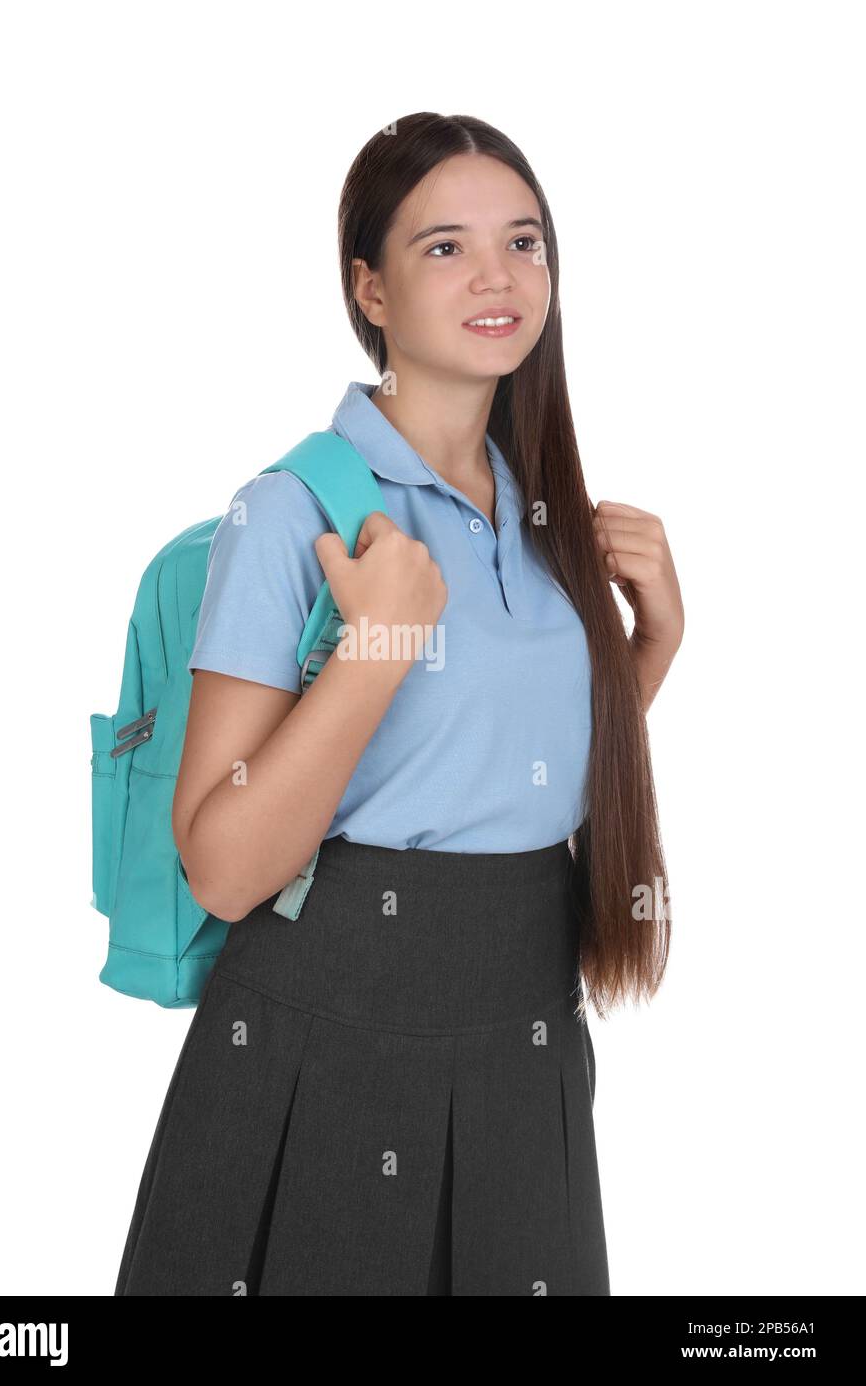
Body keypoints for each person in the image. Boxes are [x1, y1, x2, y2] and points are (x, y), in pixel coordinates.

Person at [114, 111, 683, 1297]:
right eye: (444, 248)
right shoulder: (289, 514)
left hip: (524, 1041)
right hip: (325, 1045)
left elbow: (519, 787)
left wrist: (655, 645)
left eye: (523, 242)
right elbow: (221, 866)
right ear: (367, 289)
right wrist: (375, 643)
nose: (497, 276)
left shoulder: (549, 518)